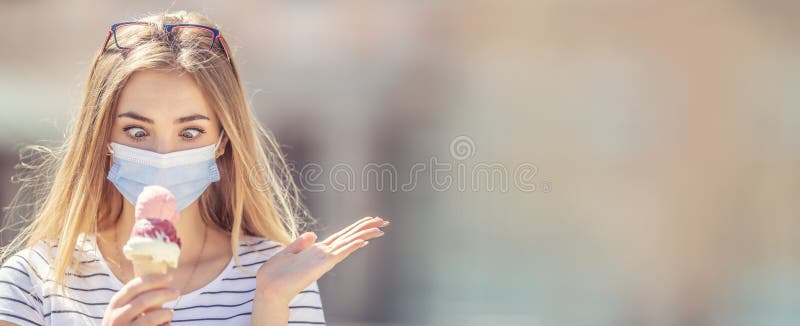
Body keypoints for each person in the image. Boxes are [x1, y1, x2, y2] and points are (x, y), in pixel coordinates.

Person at [0, 10, 388, 326]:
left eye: (190, 132)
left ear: (223, 140)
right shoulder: (31, 282)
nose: (164, 154)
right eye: (136, 131)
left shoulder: (280, 280)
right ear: (102, 136)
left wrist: (269, 306)